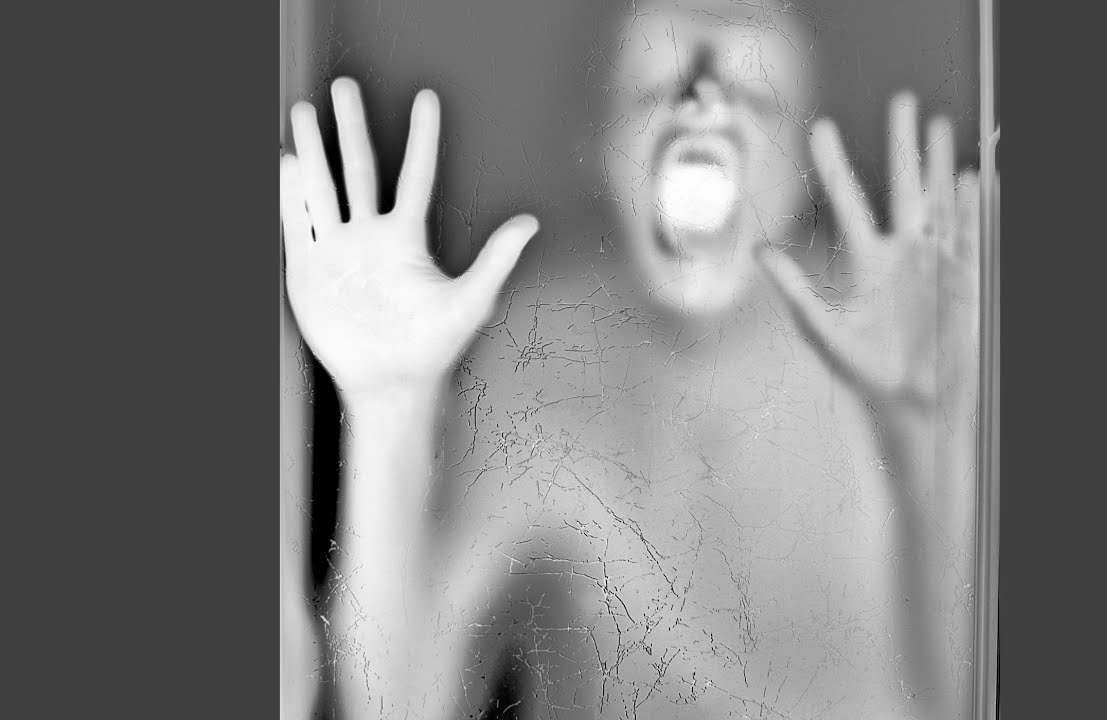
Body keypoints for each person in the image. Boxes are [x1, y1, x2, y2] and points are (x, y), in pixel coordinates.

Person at [281, 3, 981, 718]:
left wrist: (931, 434)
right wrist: (388, 403)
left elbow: (958, 698)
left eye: (757, 97)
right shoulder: (538, 356)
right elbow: (395, 702)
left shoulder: (897, 350)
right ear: (598, 147)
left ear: (800, 168)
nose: (704, 109)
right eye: (653, 90)